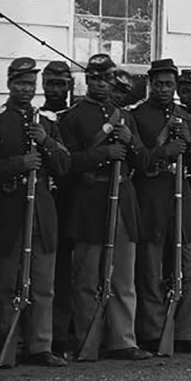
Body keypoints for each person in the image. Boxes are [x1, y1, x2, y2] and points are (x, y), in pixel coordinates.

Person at [0, 57, 71, 367]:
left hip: (41, 211)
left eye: (30, 84)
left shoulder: (47, 121)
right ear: (9, 84)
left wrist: (45, 141)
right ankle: (11, 343)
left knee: (43, 284)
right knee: (9, 283)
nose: (25, 90)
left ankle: (40, 346)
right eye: (20, 83)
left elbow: (63, 165)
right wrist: (19, 164)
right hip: (8, 210)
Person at [58, 53, 151, 360]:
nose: (101, 83)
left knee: (123, 277)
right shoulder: (72, 117)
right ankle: (89, 340)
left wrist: (130, 141)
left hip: (122, 200)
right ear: (87, 79)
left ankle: (124, 340)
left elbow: (143, 161)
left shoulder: (125, 117)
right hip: (90, 201)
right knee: (87, 277)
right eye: (95, 77)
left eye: (107, 78)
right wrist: (103, 154)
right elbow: (66, 162)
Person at [130, 59, 191, 354]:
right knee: (151, 268)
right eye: (160, 84)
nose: (165, 89)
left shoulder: (183, 116)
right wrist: (165, 150)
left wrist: (189, 144)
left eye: (170, 84)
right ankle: (153, 333)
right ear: (151, 83)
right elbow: (137, 161)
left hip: (183, 192)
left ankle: (188, 333)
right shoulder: (137, 115)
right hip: (151, 194)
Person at [40, 60, 77, 355]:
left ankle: (62, 333)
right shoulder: (35, 117)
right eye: (50, 83)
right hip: (40, 201)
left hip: (70, 202)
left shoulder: (74, 117)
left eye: (61, 83)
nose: (55, 89)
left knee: (65, 272)